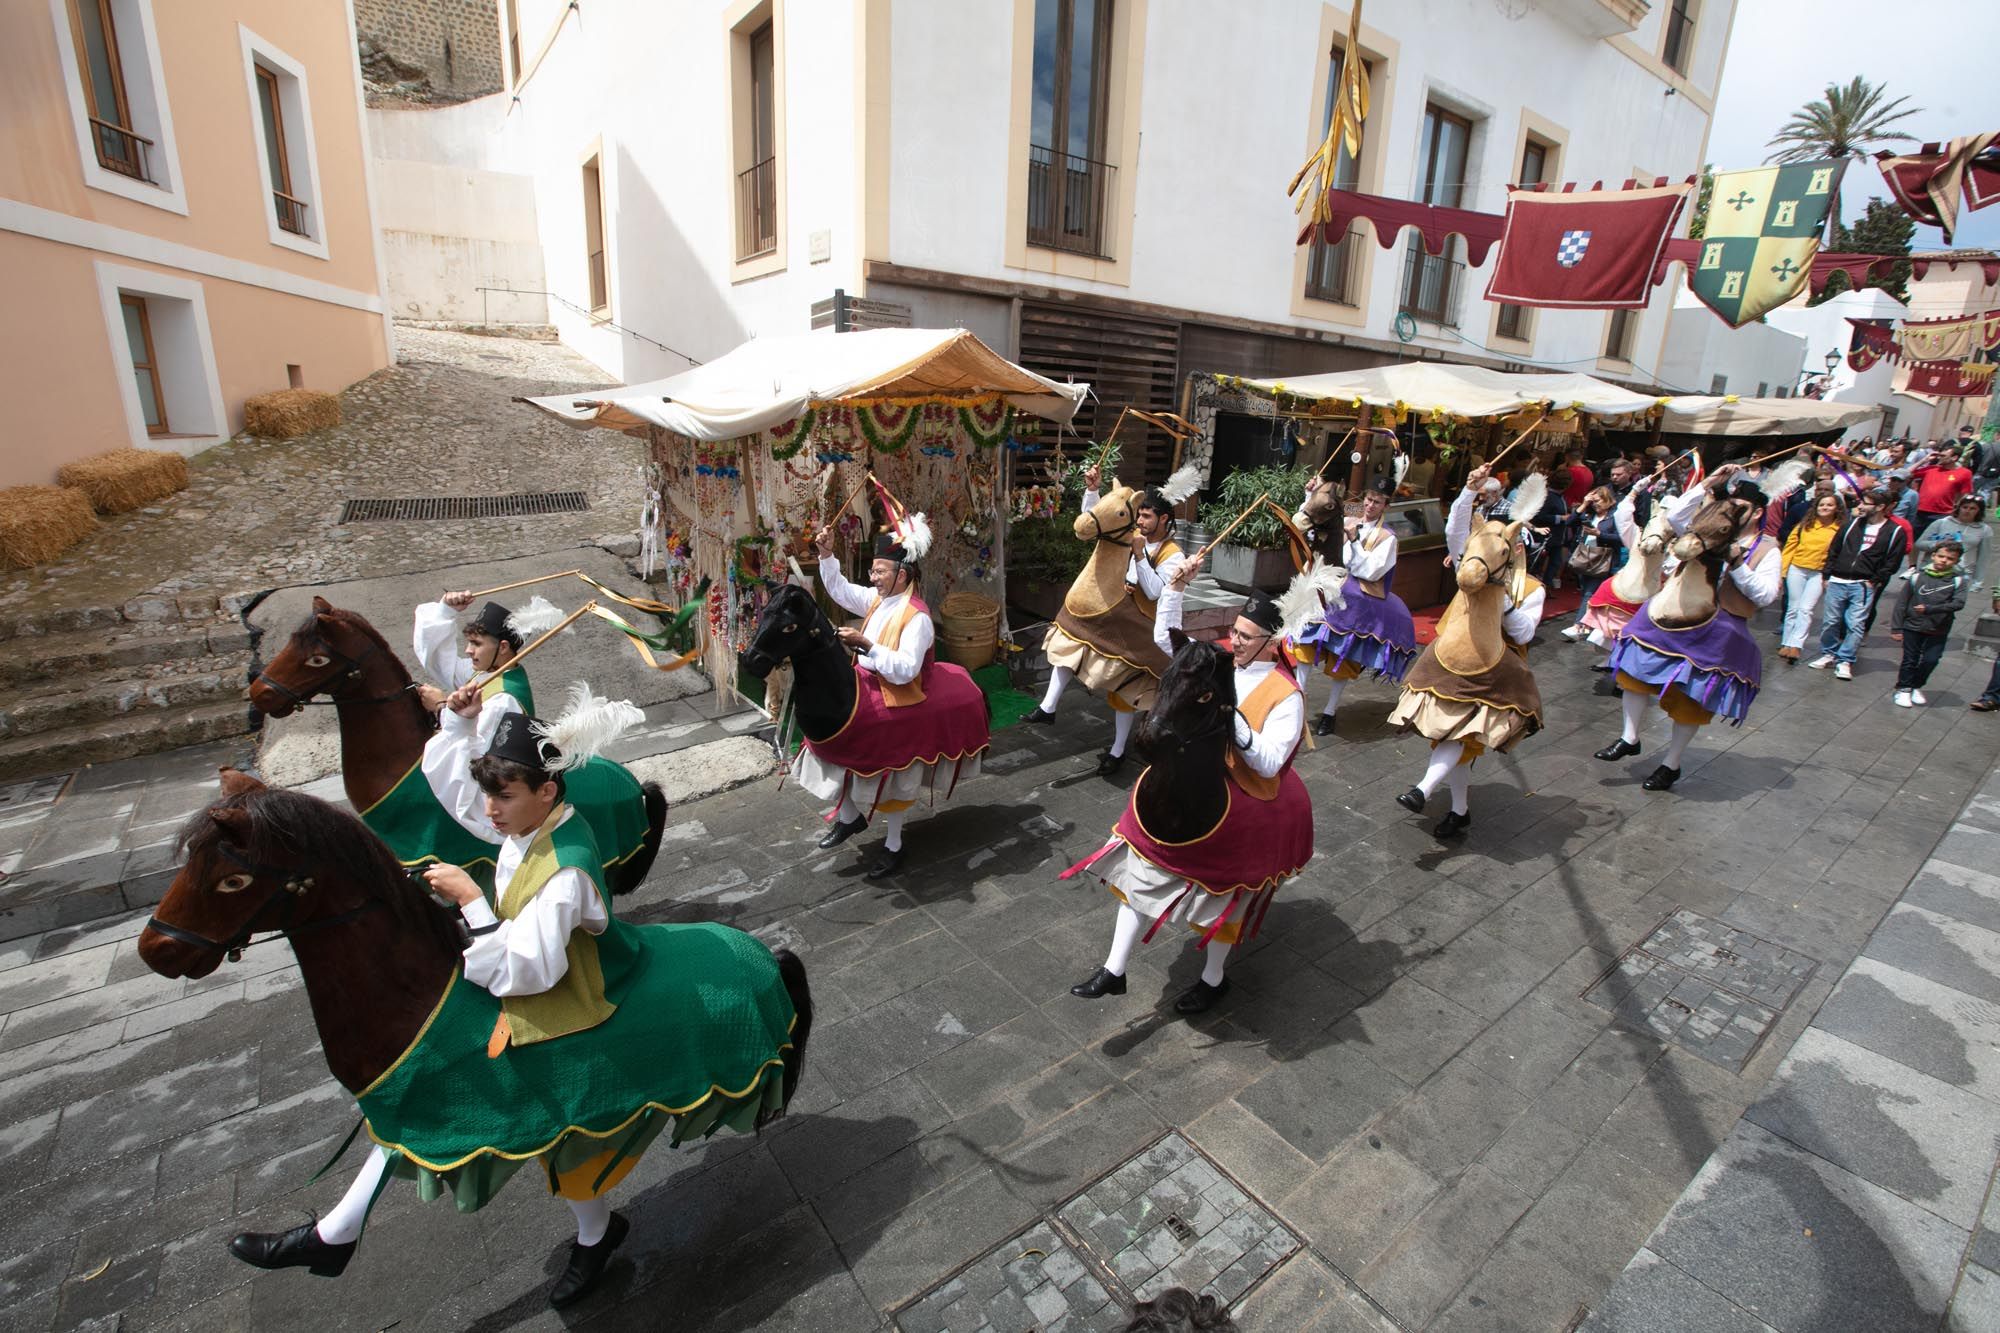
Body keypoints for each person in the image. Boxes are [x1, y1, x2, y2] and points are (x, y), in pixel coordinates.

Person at [228, 708, 798, 1310]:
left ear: (546, 790)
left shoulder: (566, 869)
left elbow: (530, 969)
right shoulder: (526, 823)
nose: (490, 810)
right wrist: (451, 726)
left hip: (573, 992)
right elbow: (460, 805)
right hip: (521, 966)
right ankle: (337, 1232)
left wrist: (473, 903)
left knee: (556, 1115)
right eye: (490, 796)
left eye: (503, 796)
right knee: (443, 1083)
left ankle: (592, 1232)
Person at [1065, 594, 1311, 1014]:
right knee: (1139, 867)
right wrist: (1175, 590)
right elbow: (1167, 641)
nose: (1236, 642)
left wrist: (1231, 716)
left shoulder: (1287, 695)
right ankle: (1114, 969)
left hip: (1245, 791)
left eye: (1247, 637)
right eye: (1235, 631)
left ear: (1274, 642)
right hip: (1191, 774)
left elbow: (1270, 764)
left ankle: (1214, 979)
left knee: (1225, 900)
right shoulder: (1220, 661)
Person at [799, 509, 988, 878]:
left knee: (890, 765)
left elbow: (905, 670)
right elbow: (839, 590)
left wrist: (867, 644)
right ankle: (851, 817)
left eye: (879, 572)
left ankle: (894, 845)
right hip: (871, 687)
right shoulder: (876, 598)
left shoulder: (916, 617)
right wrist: (826, 555)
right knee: (840, 735)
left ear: (903, 574)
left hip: (906, 696)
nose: (873, 578)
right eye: (872, 572)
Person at [1597, 468, 1782, 791]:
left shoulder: (1767, 549)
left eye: (1741, 508)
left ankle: (1672, 764)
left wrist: (1737, 564)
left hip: (1721, 625)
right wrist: (1707, 483)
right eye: (1730, 504)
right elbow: (1677, 516)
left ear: (1757, 513)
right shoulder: (1705, 526)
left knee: (1691, 700)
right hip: (1674, 611)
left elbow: (1766, 596)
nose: (1732, 512)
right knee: (1632, 671)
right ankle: (1629, 736)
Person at [1389, 465, 1544, 838]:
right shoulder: (1471, 566)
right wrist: (1466, 492)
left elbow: (1524, 631)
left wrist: (1504, 601)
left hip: (1494, 676)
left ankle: (1423, 789)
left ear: (1515, 549)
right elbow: (1455, 533)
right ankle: (1459, 811)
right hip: (1453, 665)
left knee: (1458, 740)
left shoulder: (1534, 589)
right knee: (1456, 743)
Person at [1027, 465, 1188, 777]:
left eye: (1147, 517)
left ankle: (1117, 751)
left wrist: (1140, 556)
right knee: (1073, 634)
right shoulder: (1131, 533)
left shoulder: (1174, 555)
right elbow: (1097, 524)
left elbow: (1155, 592)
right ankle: (1048, 706)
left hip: (1143, 626)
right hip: (1117, 612)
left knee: (1124, 696)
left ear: (1164, 519)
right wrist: (1092, 490)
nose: (1140, 522)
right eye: (1138, 516)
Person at [1289, 476, 1417, 733]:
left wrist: (1355, 541)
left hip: (1357, 594)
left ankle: (1329, 712)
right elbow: (1322, 510)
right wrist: (1311, 493)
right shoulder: (1353, 511)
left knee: (1342, 656)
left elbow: (1369, 571)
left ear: (1385, 505)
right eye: (1368, 499)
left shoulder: (1387, 537)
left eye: (1377, 502)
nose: (1369, 506)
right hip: (1327, 581)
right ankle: (1295, 703)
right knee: (1305, 641)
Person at [1808, 488, 1911, 680]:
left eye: (1865, 503)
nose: (1860, 506)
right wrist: (1827, 575)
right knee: (1831, 621)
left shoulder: (1894, 531)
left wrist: (1875, 580)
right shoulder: (1851, 524)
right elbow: (1834, 549)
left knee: (1855, 624)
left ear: (1880, 507)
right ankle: (1828, 653)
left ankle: (1845, 659)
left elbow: (1893, 561)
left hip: (1863, 584)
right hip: (1838, 580)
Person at [1893, 540, 1969, 707]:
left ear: (1956, 561)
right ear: (1933, 556)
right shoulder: (1917, 577)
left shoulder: (1958, 581)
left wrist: (1930, 609)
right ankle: (1904, 688)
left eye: (1950, 558)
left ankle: (1915, 685)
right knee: (1910, 659)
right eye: (1941, 556)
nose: (1944, 560)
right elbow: (1901, 603)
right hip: (1912, 625)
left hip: (1939, 628)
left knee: (1931, 659)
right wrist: (1896, 627)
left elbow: (1958, 604)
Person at [1777, 491, 1845, 663]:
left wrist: (1830, 576)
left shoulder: (1839, 529)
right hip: (1797, 568)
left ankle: (1796, 645)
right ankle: (1786, 642)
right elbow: (1790, 547)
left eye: (1829, 505)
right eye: (1822, 504)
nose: (1825, 508)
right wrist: (1782, 571)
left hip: (1819, 573)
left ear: (1837, 508)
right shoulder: (1804, 525)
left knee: (1806, 609)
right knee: (1793, 607)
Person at [1560, 486, 1623, 641]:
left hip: (1602, 559)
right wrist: (1584, 504)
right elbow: (1569, 523)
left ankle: (1578, 626)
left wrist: (1600, 534)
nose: (1595, 504)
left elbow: (1621, 539)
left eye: (1598, 501)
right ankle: (1589, 625)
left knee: (1589, 592)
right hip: (1584, 556)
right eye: (1593, 501)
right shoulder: (1589, 513)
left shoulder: (1616, 516)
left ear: (1608, 500)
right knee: (1586, 592)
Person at [1911, 446, 1975, 543]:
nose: (1939, 457)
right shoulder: (1932, 469)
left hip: (1942, 513)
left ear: (1954, 458)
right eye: (1939, 455)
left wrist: (1957, 509)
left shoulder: (1964, 473)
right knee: (1914, 540)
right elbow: (1907, 473)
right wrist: (1924, 460)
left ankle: (1929, 558)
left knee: (1935, 541)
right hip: (1920, 511)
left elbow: (1965, 493)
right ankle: (1912, 559)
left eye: (1943, 455)